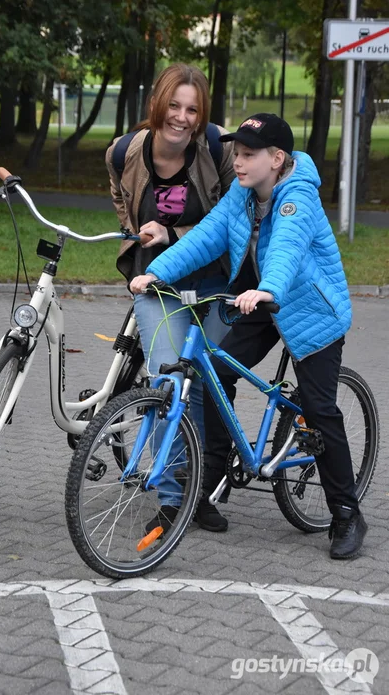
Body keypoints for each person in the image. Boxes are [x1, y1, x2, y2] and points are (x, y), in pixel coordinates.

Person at [130, 112, 367, 560]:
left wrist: (268, 289)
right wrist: (156, 272)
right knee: (212, 373)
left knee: (318, 408)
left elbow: (287, 248)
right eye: (236, 153)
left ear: (277, 159)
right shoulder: (241, 196)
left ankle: (346, 513)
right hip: (260, 302)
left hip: (309, 309)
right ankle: (206, 487)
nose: (237, 162)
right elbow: (205, 238)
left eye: (248, 155)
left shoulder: (298, 197)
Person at [106, 63, 234, 531]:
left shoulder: (218, 149)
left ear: (201, 117)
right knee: (168, 381)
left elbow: (230, 223)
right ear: (156, 106)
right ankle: (174, 498)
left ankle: (201, 488)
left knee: (202, 380)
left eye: (192, 109)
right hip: (156, 281)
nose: (181, 117)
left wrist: (173, 231)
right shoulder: (122, 152)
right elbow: (122, 200)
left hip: (212, 281)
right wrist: (136, 237)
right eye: (174, 106)